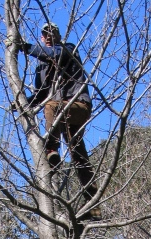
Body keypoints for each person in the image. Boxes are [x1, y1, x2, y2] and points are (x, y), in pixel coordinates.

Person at [20, 22, 101, 220]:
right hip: (62, 116)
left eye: (53, 33)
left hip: (78, 106)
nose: (49, 37)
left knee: (52, 106)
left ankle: (51, 152)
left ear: (58, 36)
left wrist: (26, 47)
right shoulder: (42, 67)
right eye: (45, 34)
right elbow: (41, 94)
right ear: (42, 37)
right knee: (79, 155)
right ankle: (94, 206)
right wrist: (22, 104)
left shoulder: (68, 49)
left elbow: (54, 54)